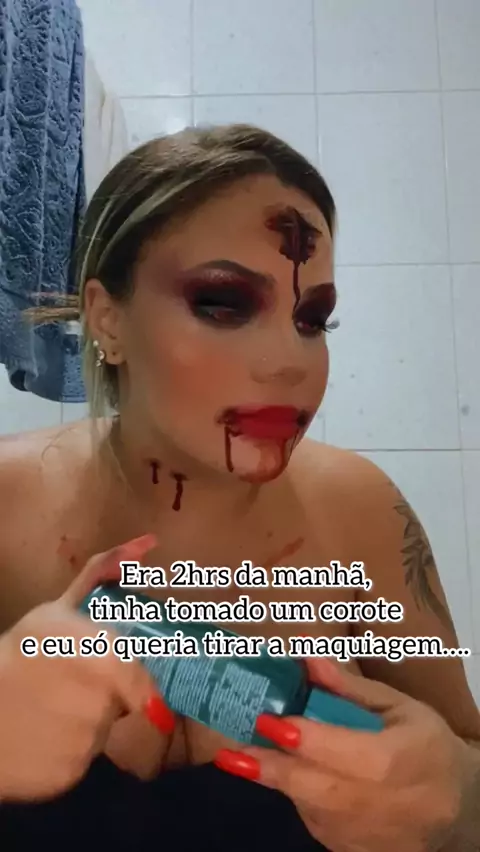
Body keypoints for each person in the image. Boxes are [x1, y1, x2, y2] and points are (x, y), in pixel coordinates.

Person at [0, 124, 478, 851]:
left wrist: (457, 801)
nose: (291, 361)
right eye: (223, 304)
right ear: (107, 317)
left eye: (312, 319)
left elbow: (468, 766)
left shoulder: (363, 513)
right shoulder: (7, 504)